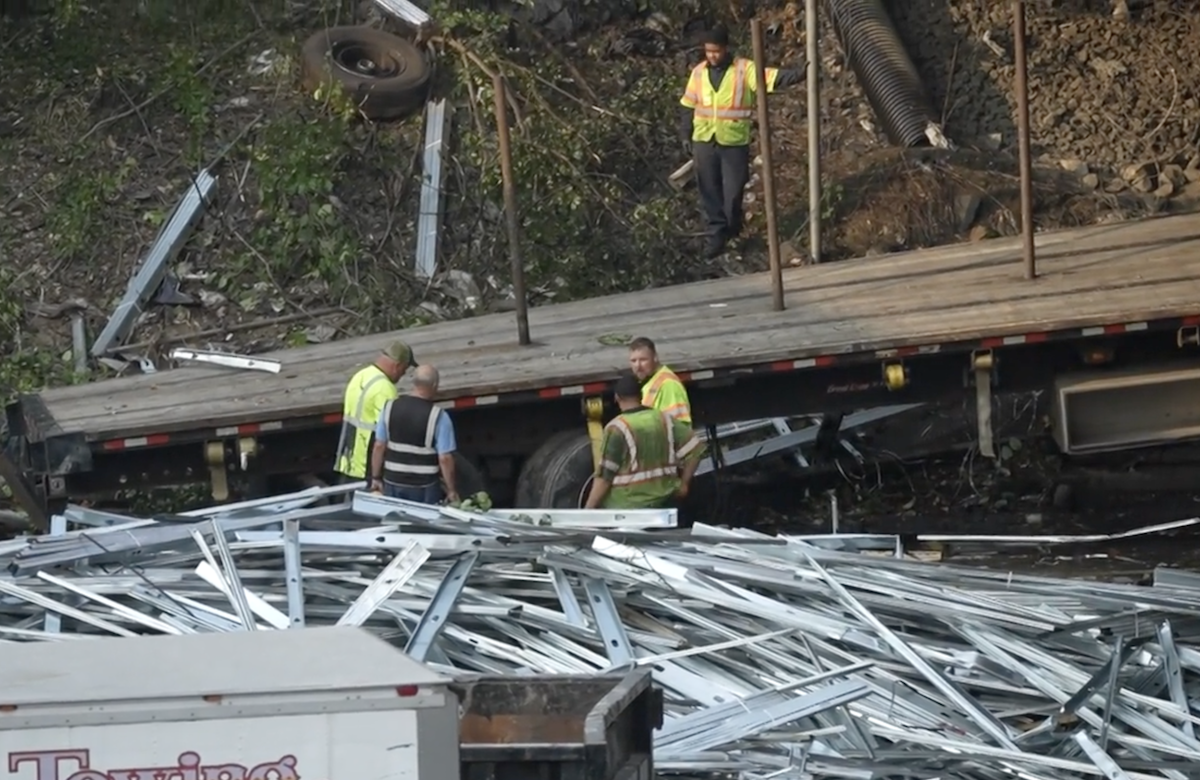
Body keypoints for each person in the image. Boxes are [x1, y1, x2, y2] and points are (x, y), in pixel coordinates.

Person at [679, 25, 804, 258]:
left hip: (733, 141)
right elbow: (688, 104)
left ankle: (732, 225)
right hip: (705, 140)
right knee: (708, 188)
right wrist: (685, 134)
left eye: (716, 51)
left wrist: (798, 73)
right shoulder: (698, 73)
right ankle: (717, 234)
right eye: (708, 51)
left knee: (734, 189)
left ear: (725, 49)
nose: (712, 56)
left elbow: (770, 78)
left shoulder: (743, 69)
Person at [584, 371, 705, 510]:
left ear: (616, 398)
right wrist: (684, 484)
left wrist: (588, 510)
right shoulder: (664, 419)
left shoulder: (617, 427)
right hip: (665, 502)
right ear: (641, 396)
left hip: (629, 507)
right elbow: (697, 449)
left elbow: (605, 476)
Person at [369, 364, 460, 505]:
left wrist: (375, 478)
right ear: (435, 385)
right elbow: (445, 459)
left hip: (393, 482)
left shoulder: (389, 407)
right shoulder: (439, 417)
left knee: (395, 522)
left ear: (414, 382)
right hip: (425, 487)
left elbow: (379, 445)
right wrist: (451, 490)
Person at [333, 340, 416, 485]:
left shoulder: (361, 376)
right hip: (368, 465)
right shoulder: (385, 389)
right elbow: (392, 433)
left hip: (350, 460)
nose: (403, 374)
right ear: (397, 366)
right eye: (404, 369)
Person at [628, 336, 691, 424]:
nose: (638, 366)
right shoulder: (649, 382)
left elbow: (678, 427)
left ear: (655, 358)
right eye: (633, 361)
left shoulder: (668, 384)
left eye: (643, 360)